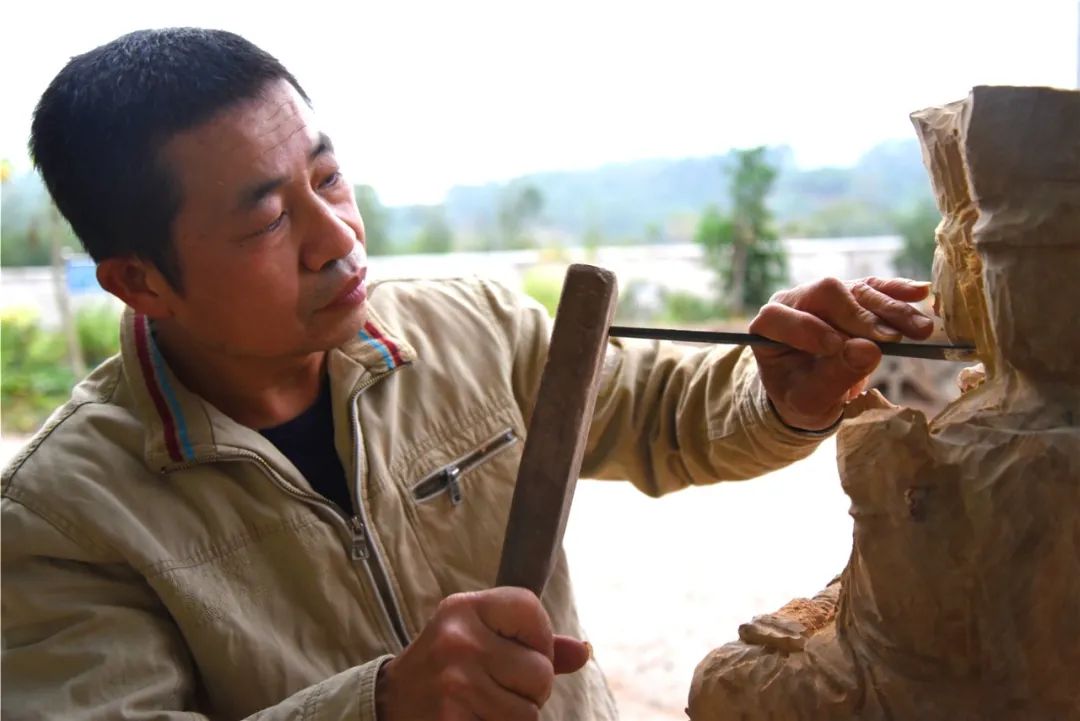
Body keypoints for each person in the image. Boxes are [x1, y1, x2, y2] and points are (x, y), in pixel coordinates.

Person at [0, 27, 935, 721]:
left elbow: (661, 412)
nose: (337, 238)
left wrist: (776, 392)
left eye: (327, 179)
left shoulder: (471, 327)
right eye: (268, 220)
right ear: (140, 281)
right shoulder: (62, 518)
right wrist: (381, 705)